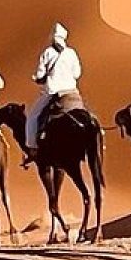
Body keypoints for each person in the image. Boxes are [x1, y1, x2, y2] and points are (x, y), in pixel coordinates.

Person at [24, 22, 82, 165]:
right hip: (71, 90)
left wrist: (38, 79)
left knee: (32, 117)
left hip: (53, 92)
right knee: (83, 112)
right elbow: (77, 73)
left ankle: (32, 148)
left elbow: (40, 74)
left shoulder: (47, 52)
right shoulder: (71, 53)